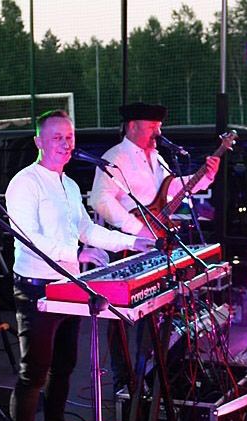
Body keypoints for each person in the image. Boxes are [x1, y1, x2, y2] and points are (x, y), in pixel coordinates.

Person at [4, 110, 155, 421]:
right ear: (38, 142)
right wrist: (76, 252)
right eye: (57, 137)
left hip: (69, 286)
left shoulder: (70, 185)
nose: (66, 143)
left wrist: (132, 241)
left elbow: (86, 229)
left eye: (69, 137)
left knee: (64, 369)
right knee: (33, 374)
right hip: (37, 288)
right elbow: (28, 238)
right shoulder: (24, 183)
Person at [90, 102, 220, 392]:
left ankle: (148, 373)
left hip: (156, 242)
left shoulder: (157, 157)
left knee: (152, 308)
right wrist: (137, 230)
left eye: (159, 127)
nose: (158, 133)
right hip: (127, 243)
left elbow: (171, 190)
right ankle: (124, 380)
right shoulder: (115, 157)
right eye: (152, 127)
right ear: (132, 126)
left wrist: (206, 175)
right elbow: (100, 199)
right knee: (121, 315)